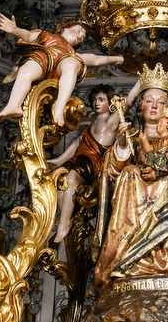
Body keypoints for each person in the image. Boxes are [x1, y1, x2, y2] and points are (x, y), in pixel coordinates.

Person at [92, 67, 168, 289]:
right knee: (130, 173)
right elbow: (112, 171)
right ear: (141, 105)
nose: (154, 107)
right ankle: (126, 258)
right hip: (133, 196)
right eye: (149, 101)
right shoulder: (132, 135)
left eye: (161, 103)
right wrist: (123, 143)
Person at [48, 80, 141, 244]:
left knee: (70, 178)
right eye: (94, 100)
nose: (96, 103)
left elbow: (129, 100)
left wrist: (141, 81)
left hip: (93, 163)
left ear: (110, 102)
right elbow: (78, 143)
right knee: (61, 186)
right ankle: (66, 219)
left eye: (101, 99)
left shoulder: (111, 122)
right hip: (80, 160)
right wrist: (59, 160)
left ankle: (64, 224)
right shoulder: (92, 124)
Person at [0, 14, 124, 124]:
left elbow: (96, 59)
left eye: (82, 37)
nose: (80, 36)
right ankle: (13, 105)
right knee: (26, 71)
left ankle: (59, 106)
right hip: (43, 58)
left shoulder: (72, 53)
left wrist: (115, 59)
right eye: (79, 30)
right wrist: (14, 29)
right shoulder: (46, 36)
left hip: (63, 63)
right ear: (65, 26)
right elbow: (27, 36)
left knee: (72, 64)